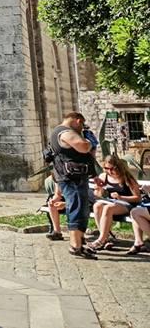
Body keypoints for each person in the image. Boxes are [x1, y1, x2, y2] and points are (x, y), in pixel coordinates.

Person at [50, 111, 96, 259]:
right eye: (82, 125)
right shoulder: (65, 132)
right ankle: (75, 246)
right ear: (77, 121)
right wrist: (89, 142)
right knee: (76, 207)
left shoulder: (58, 132)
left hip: (73, 176)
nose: (82, 129)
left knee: (81, 208)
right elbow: (83, 147)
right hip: (72, 178)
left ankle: (80, 242)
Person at [89, 154, 142, 251]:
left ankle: (101, 240)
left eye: (111, 169)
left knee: (108, 208)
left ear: (117, 167)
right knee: (97, 206)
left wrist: (121, 197)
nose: (109, 171)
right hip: (112, 202)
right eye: (106, 168)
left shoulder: (126, 178)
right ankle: (105, 238)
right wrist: (99, 190)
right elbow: (98, 196)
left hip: (127, 204)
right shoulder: (104, 176)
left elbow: (138, 198)